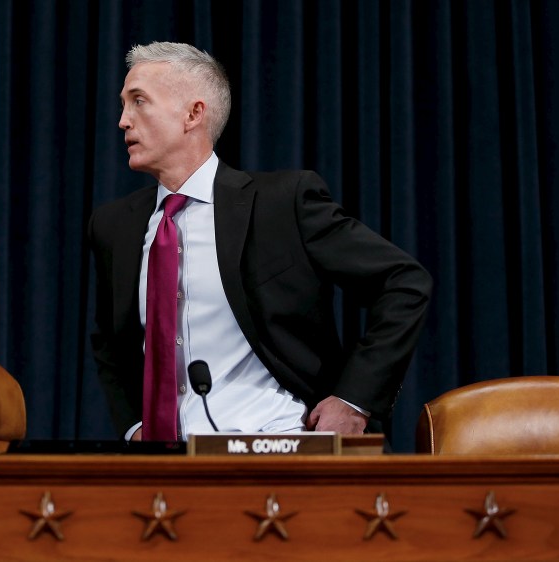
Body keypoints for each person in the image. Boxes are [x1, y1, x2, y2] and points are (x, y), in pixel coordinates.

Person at [88, 41, 432, 442]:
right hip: (166, 460)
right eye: (123, 104)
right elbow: (110, 343)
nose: (123, 121)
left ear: (193, 114)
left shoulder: (282, 204)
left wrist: (354, 399)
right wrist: (134, 427)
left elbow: (404, 282)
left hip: (281, 443)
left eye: (139, 101)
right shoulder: (115, 225)